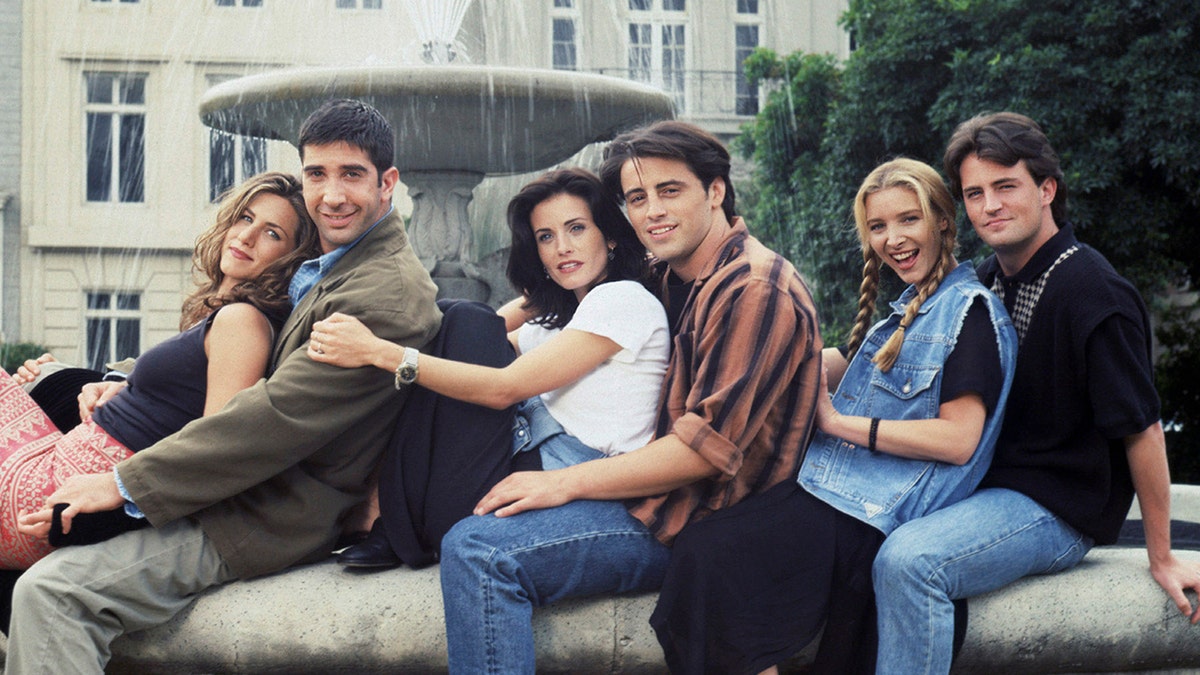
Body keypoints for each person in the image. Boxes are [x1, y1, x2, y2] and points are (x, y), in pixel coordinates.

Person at [4, 98, 441, 673]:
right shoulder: (339, 266)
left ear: (388, 183)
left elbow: (275, 417)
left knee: (51, 594)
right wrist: (120, 381)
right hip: (241, 490)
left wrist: (122, 483)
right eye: (317, 174)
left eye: (352, 175)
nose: (332, 195)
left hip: (263, 514)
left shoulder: (382, 289)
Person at [429, 120, 822, 673]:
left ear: (714, 190)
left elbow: (698, 454)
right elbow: (564, 300)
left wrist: (559, 484)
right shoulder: (673, 273)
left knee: (482, 552)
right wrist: (537, 284)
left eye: (670, 191)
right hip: (655, 498)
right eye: (637, 198)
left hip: (697, 521)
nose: (652, 211)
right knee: (459, 329)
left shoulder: (753, 287)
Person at [649, 158, 1017, 674]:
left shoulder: (968, 314)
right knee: (706, 546)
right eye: (878, 226)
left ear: (943, 221)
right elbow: (845, 370)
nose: (893, 238)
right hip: (835, 492)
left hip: (870, 514)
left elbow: (959, 439)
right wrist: (779, 357)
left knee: (709, 556)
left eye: (908, 220)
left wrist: (837, 423)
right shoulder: (908, 309)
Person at [872, 112, 1200, 674]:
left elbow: (1142, 429)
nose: (989, 206)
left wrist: (1162, 554)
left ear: (1046, 189)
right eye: (974, 193)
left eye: (1005, 187)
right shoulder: (984, 281)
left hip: (1057, 507)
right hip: (986, 489)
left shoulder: (1093, 291)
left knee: (911, 561)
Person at [308, 166, 670, 568]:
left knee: (463, 317)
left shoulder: (623, 300)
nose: (562, 247)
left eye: (577, 229)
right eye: (545, 238)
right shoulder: (565, 319)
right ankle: (390, 520)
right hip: (506, 481)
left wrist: (380, 352)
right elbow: (477, 343)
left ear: (611, 235)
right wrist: (545, 293)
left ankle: (386, 520)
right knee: (455, 320)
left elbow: (502, 386)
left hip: (559, 483)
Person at [0, 170, 321, 569]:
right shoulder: (223, 315)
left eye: (273, 233)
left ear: (292, 259)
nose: (247, 236)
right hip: (56, 480)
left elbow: (218, 445)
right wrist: (120, 385)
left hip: (55, 492)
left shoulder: (242, 321)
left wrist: (109, 510)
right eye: (245, 218)